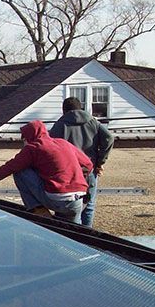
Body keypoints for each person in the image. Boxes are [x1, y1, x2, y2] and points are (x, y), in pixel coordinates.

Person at [0, 120, 92, 223]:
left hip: (57, 198)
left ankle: (39, 209)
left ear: (28, 137)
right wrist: (74, 178)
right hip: (77, 201)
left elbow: (8, 168)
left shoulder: (33, 147)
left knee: (20, 171)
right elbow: (88, 165)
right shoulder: (63, 142)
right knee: (71, 236)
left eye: (23, 139)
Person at [49, 97, 114, 227]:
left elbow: (51, 148)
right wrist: (100, 161)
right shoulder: (93, 122)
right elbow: (109, 138)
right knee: (89, 205)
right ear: (81, 108)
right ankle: (88, 233)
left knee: (75, 205)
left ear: (64, 110)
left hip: (69, 172)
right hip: (90, 169)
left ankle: (75, 234)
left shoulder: (60, 125)